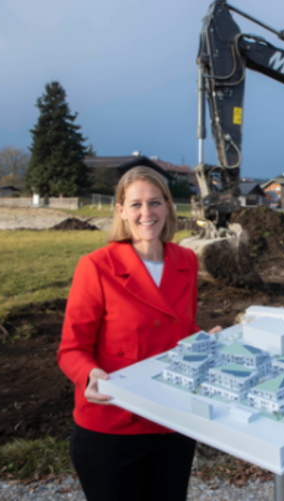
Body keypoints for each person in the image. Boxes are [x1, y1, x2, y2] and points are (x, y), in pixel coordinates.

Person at [58, 166, 219, 501]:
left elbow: (184, 326)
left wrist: (206, 342)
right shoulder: (96, 266)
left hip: (173, 418)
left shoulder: (186, 260)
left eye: (155, 202)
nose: (147, 212)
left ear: (168, 207)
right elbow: (71, 349)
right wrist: (88, 374)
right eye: (136, 204)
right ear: (121, 211)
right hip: (114, 424)